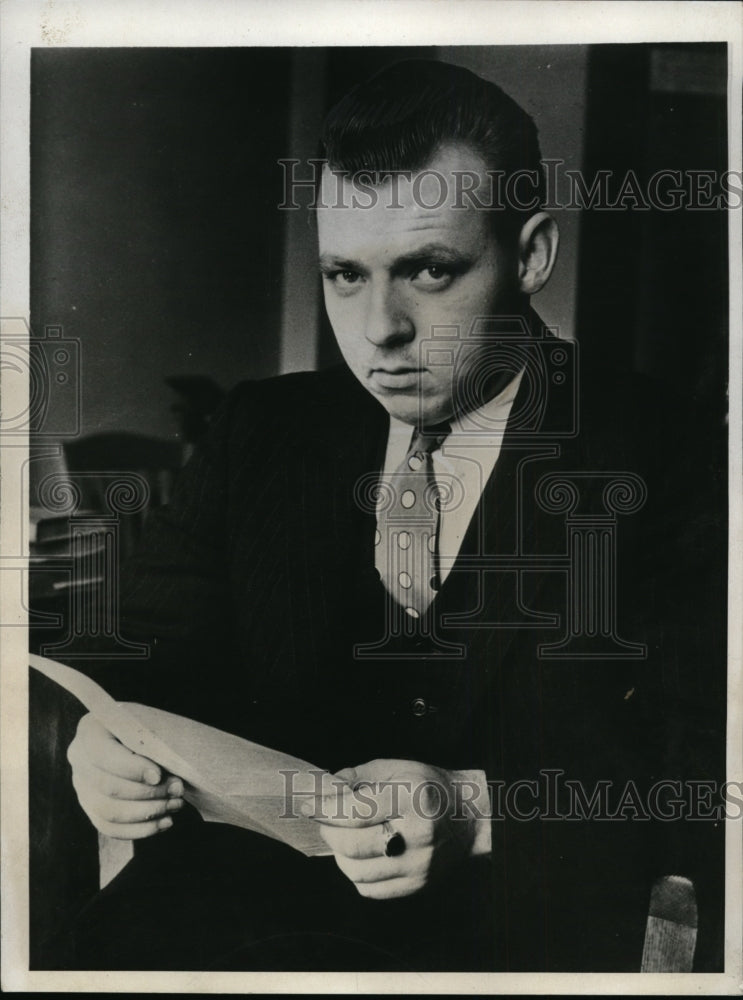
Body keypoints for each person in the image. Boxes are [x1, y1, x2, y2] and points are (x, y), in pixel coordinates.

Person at [49, 59, 725, 972]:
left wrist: (476, 810)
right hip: (230, 927)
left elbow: (704, 774)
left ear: (530, 256)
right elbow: (142, 659)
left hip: (518, 942)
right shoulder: (262, 428)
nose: (377, 330)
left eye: (429, 271)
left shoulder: (672, 451)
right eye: (343, 274)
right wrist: (104, 744)